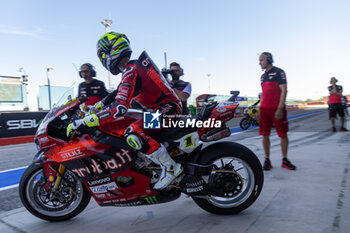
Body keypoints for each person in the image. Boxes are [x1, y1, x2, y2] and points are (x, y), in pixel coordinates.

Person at [67, 32, 183, 189]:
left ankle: (170, 168)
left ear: (111, 51)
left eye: (102, 54)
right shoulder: (132, 68)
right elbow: (118, 92)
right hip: (163, 109)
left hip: (168, 109)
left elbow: (119, 107)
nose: (102, 58)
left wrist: (85, 121)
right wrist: (98, 106)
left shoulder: (131, 69)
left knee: (132, 131)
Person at [258, 52, 296, 171]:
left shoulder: (279, 72)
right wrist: (260, 108)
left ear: (269, 60)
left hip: (277, 108)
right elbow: (264, 93)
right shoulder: (262, 76)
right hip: (264, 109)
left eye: (262, 60)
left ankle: (285, 159)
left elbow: (284, 90)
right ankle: (267, 160)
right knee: (264, 134)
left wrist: (280, 108)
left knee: (282, 134)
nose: (259, 62)